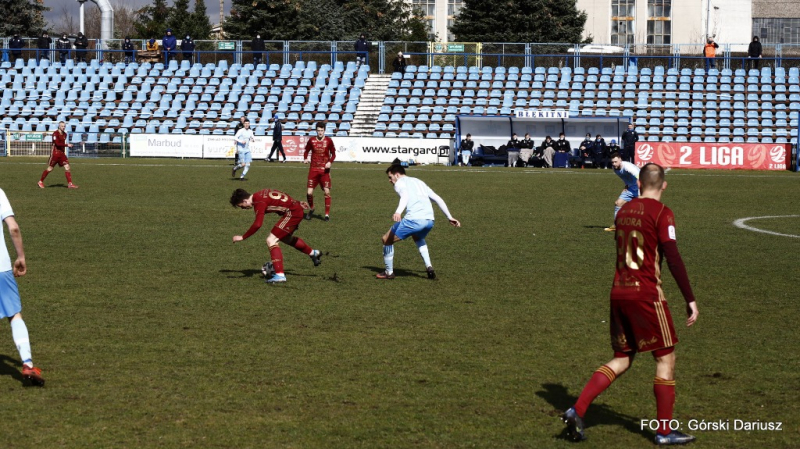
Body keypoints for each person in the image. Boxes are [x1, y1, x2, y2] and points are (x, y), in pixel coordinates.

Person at [562, 162, 698, 446]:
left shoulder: (624, 211)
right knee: (665, 358)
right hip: (646, 295)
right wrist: (690, 299)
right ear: (664, 185)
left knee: (622, 358)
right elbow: (672, 257)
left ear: (638, 184)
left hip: (619, 292)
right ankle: (663, 432)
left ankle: (577, 410)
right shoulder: (663, 213)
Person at [377, 165, 461, 280]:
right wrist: (450, 217)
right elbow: (438, 199)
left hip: (414, 220)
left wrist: (398, 212)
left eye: (390, 177)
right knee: (417, 237)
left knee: (386, 240)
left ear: (397, 175)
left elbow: (405, 196)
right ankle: (429, 267)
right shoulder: (419, 182)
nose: (390, 181)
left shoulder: (399, 183)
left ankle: (389, 272)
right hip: (429, 221)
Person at [0, 188, 45, 386]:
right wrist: (21, 257)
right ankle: (27, 364)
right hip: (0, 267)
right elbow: (14, 228)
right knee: (14, 315)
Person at [230, 188, 322, 284]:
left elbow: (258, 224)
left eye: (242, 206)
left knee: (271, 240)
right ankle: (313, 253)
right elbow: (281, 196)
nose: (243, 208)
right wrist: (297, 203)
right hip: (295, 209)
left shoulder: (259, 202)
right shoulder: (261, 192)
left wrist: (243, 237)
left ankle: (280, 275)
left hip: (292, 213)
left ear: (244, 201)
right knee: (286, 238)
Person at [303, 122, 336, 221]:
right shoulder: (312, 140)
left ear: (324, 130)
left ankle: (326, 215)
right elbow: (306, 151)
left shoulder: (329, 141)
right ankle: (312, 208)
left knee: (327, 192)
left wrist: (330, 162)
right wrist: (305, 158)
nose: (320, 132)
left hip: (324, 171)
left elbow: (333, 154)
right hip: (313, 169)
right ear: (316, 131)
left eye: (321, 131)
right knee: (309, 193)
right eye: (318, 131)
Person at [604, 152, 640, 231]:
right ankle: (617, 225)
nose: (614, 164)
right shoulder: (615, 168)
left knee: (643, 208)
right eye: (612, 162)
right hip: (631, 188)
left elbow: (640, 176)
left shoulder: (628, 167)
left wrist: (642, 191)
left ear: (620, 160)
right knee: (618, 203)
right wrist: (626, 185)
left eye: (615, 162)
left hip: (640, 187)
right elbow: (625, 178)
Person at [38, 121, 78, 189]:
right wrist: (67, 145)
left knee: (67, 167)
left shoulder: (65, 134)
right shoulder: (55, 134)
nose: (63, 127)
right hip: (55, 154)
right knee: (50, 168)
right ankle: (40, 181)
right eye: (62, 126)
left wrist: (65, 146)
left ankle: (70, 184)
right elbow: (57, 144)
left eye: (64, 126)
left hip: (62, 154)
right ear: (59, 126)